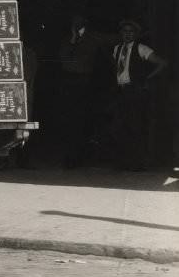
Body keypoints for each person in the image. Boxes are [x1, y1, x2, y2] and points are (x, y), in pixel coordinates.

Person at [111, 19, 167, 172]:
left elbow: (162, 63)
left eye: (131, 32)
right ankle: (123, 162)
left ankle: (137, 163)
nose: (128, 34)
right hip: (120, 91)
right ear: (121, 33)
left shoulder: (142, 48)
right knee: (120, 126)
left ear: (136, 34)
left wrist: (146, 79)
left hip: (135, 91)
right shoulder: (117, 49)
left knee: (135, 126)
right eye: (125, 31)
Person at [56, 15, 109, 168]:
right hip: (68, 82)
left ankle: (80, 157)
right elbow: (64, 59)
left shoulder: (94, 38)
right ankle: (70, 158)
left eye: (80, 22)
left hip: (85, 82)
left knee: (83, 120)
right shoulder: (67, 40)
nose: (77, 24)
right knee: (69, 120)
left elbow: (113, 40)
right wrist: (73, 39)